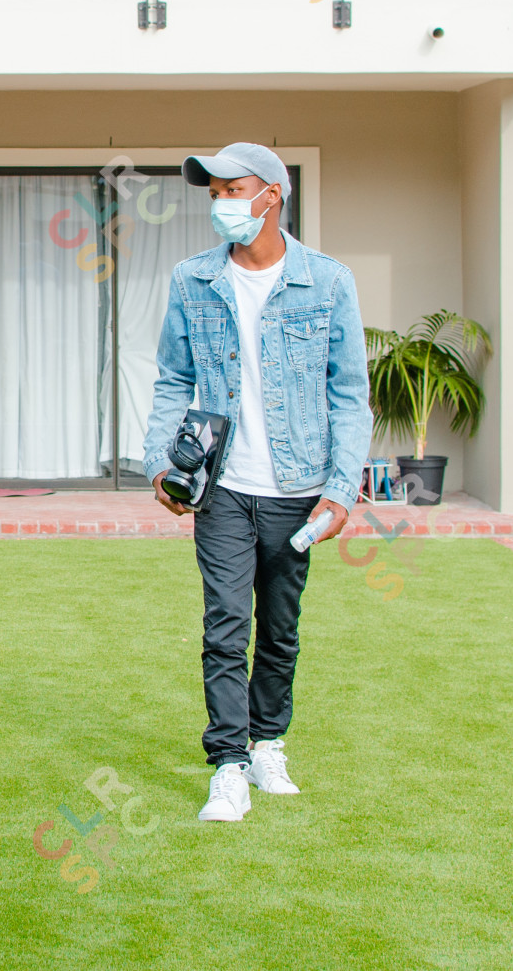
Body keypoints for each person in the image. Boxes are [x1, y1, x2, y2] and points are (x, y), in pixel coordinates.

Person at [142, 142, 371, 824]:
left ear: (272, 194)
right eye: (212, 192)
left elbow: (349, 394)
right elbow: (172, 380)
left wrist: (340, 490)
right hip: (221, 488)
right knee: (224, 623)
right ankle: (228, 765)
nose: (220, 204)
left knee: (279, 626)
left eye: (231, 189)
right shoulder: (193, 279)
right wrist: (162, 461)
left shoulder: (328, 282)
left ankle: (268, 741)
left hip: (298, 489)